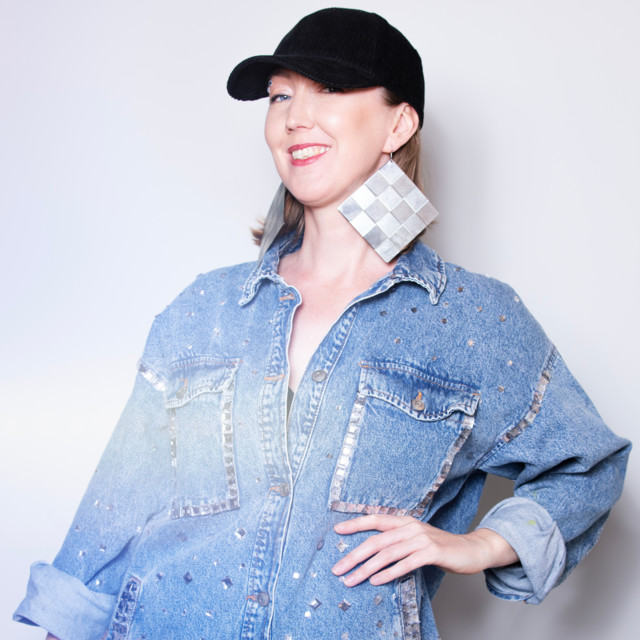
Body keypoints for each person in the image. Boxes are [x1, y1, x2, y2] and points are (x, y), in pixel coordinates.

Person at [14, 8, 630, 640]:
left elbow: (586, 464)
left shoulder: (472, 321)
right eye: (280, 95)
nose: (293, 117)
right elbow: (115, 511)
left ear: (399, 123)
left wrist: (480, 544)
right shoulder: (206, 309)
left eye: (330, 88)